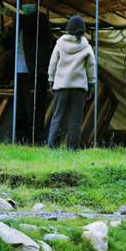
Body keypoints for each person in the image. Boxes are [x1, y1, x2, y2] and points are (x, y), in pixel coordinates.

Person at [3, 0, 52, 143]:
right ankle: (20, 139)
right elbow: (7, 46)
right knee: (21, 107)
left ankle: (35, 139)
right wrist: (4, 34)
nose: (27, 5)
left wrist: (12, 15)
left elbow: (29, 24)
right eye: (24, 2)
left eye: (30, 1)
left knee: (35, 107)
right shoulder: (20, 23)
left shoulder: (40, 19)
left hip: (35, 71)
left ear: (37, 4)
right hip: (19, 72)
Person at [46, 15, 96, 150]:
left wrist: (51, 81)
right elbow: (91, 68)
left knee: (58, 116)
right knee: (75, 119)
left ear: (68, 29)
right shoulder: (86, 46)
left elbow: (53, 63)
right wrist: (91, 86)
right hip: (79, 88)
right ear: (83, 30)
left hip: (61, 86)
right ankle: (72, 147)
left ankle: (52, 145)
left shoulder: (60, 44)